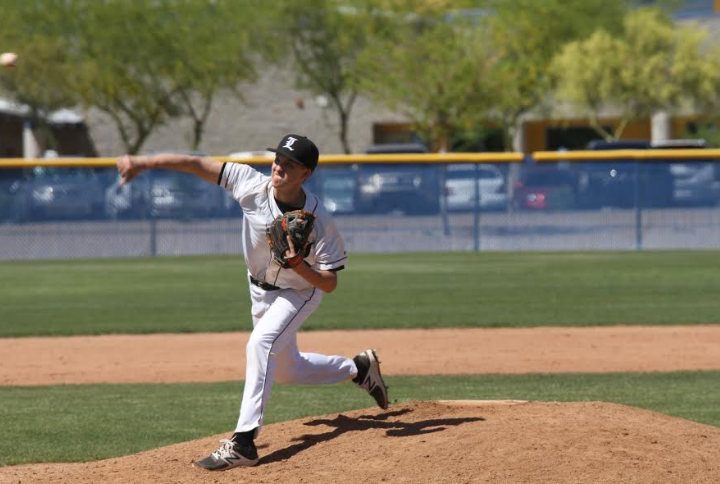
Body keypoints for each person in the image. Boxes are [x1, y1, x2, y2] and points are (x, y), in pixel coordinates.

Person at [116, 134, 388, 471]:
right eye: (278, 159)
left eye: (290, 164)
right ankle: (359, 368)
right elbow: (196, 164)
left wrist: (299, 266)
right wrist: (142, 163)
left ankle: (244, 442)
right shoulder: (249, 183)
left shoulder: (320, 219)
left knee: (261, 343)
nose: (279, 166)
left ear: (306, 174)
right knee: (289, 371)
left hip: (300, 291)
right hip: (258, 290)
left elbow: (330, 283)